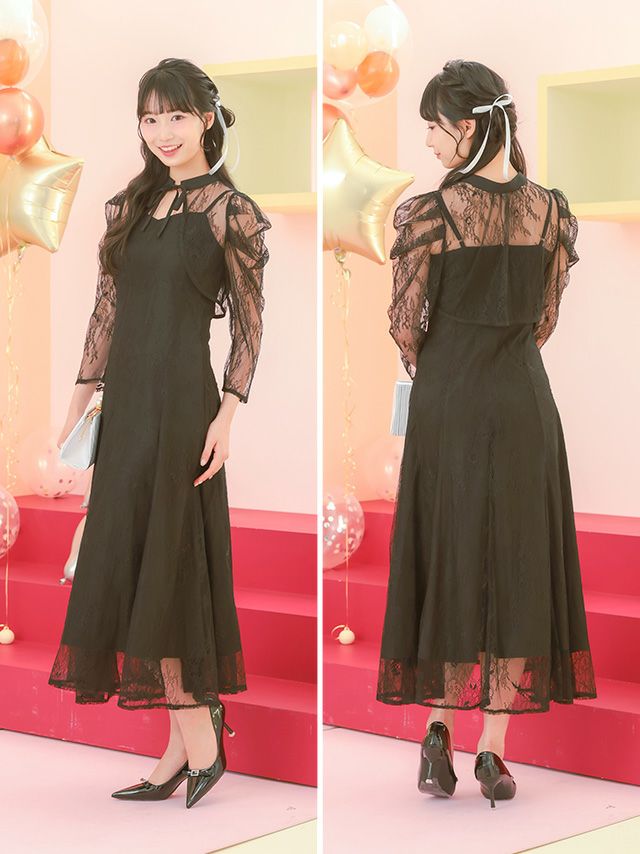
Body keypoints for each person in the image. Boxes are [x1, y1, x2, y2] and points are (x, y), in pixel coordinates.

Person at [50, 57, 271, 809]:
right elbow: (104, 314)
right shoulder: (129, 206)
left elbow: (250, 327)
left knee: (172, 566)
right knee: (135, 560)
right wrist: (75, 412)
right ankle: (183, 747)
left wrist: (227, 417)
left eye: (175, 116)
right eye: (149, 118)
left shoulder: (230, 211)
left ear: (206, 118)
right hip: (127, 410)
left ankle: (200, 743)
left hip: (183, 408)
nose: (162, 132)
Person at [375, 59, 597, 808]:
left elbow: (404, 325)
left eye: (434, 129)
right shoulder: (551, 211)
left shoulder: (430, 213)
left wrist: (444, 365)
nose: (430, 144)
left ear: (468, 128)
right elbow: (544, 319)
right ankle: (492, 750)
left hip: (451, 402)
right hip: (525, 404)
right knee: (518, 566)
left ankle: (437, 727)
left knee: (451, 557)